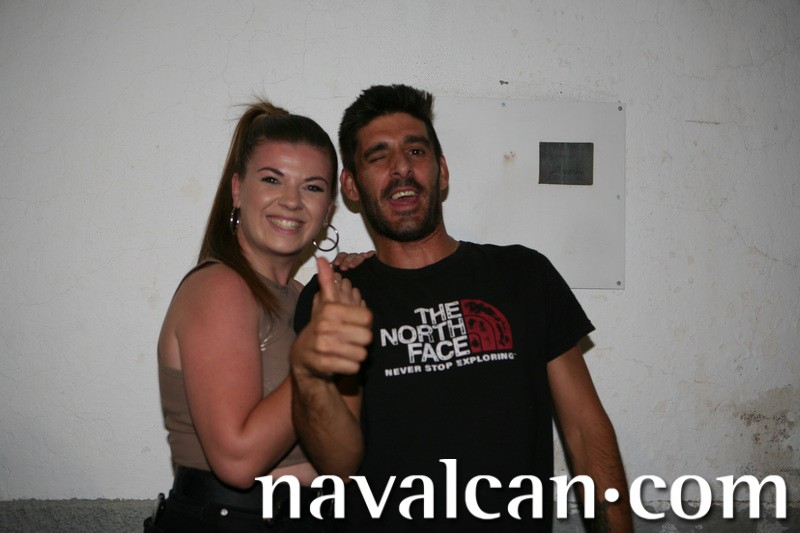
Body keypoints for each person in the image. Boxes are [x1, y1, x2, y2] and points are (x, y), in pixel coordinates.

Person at [290, 85, 633, 531]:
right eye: (378, 156)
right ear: (351, 186)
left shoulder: (524, 275)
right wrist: (309, 372)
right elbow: (337, 464)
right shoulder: (335, 298)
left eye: (416, 150)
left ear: (442, 171)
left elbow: (586, 432)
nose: (401, 167)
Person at [145, 100, 369, 532]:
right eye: (272, 179)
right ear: (237, 190)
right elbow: (238, 461)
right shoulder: (221, 287)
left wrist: (370, 282)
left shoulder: (309, 300)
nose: (292, 201)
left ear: (328, 210)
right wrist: (309, 364)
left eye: (312, 187)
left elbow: (343, 461)